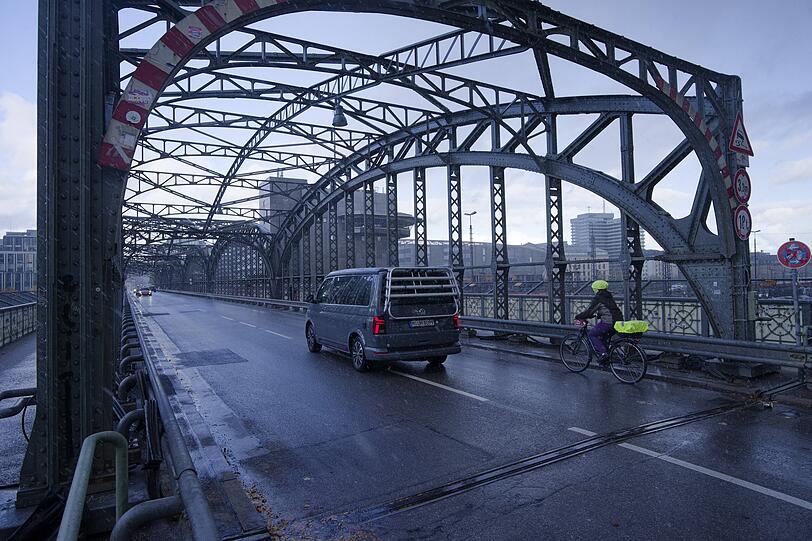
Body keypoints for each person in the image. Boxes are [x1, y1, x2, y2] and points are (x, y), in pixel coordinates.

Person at [575, 280, 623, 362]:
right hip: (619, 322)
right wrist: (599, 315)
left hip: (608, 323)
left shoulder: (598, 298)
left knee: (592, 334)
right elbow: (609, 309)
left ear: (597, 289)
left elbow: (589, 311)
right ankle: (607, 357)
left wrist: (578, 316)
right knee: (602, 337)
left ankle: (604, 354)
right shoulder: (609, 296)